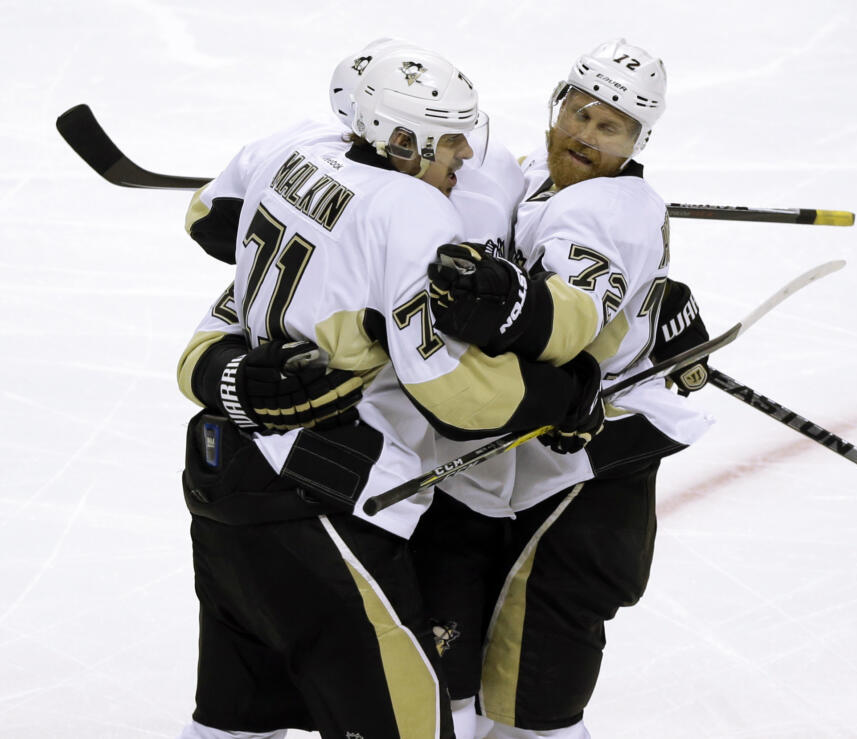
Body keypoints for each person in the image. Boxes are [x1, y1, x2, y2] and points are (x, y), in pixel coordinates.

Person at [173, 42, 602, 739]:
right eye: (448, 138)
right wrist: (562, 389)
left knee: (235, 720)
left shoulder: (291, 147)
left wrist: (325, 243)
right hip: (327, 508)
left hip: (224, 486)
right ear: (400, 141)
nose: (465, 153)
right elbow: (460, 400)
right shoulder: (410, 210)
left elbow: (209, 220)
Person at [416, 39, 714, 739]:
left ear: (638, 139)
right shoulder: (550, 183)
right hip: (558, 471)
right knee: (491, 694)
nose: (584, 135)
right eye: (579, 114)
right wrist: (659, 299)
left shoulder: (601, 212)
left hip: (586, 481)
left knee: (532, 712)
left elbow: (566, 317)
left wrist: (508, 303)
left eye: (609, 127)